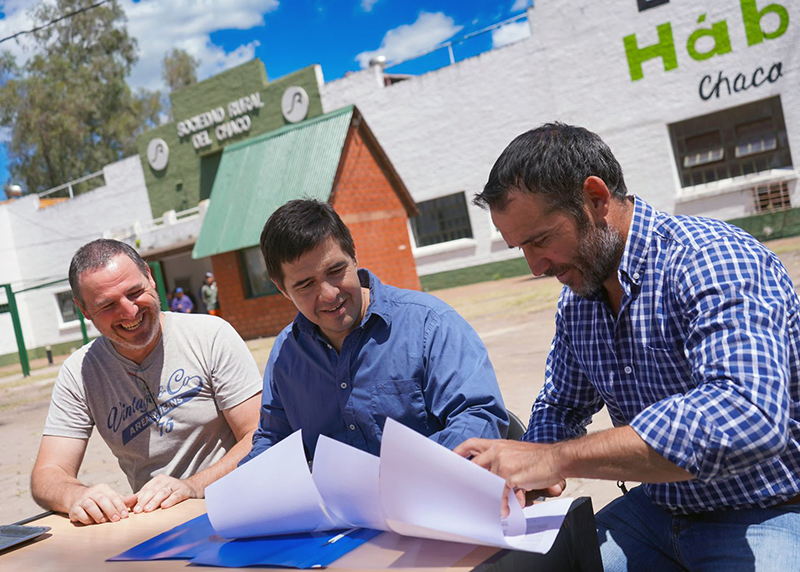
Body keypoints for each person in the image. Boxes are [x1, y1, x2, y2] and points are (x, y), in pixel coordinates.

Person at [455, 123, 800, 570]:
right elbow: (562, 404)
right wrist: (525, 473)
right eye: (521, 247)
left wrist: (552, 457)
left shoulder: (711, 259)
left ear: (595, 198)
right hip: (654, 512)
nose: (535, 266)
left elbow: (744, 416)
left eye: (540, 240)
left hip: (766, 512)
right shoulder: (578, 300)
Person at [241, 199, 508, 464]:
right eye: (306, 285)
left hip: (429, 496)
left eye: (336, 270)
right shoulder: (285, 355)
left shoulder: (429, 324)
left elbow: (478, 418)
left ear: (354, 256)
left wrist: (397, 476)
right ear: (282, 289)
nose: (329, 294)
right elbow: (273, 441)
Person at [31, 239, 262, 526]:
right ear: (84, 310)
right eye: (108, 305)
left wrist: (192, 487)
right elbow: (47, 474)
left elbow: (259, 435)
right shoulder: (79, 372)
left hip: (240, 506)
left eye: (135, 292)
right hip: (157, 527)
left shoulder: (210, 336)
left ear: (150, 277)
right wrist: (77, 496)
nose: (129, 312)